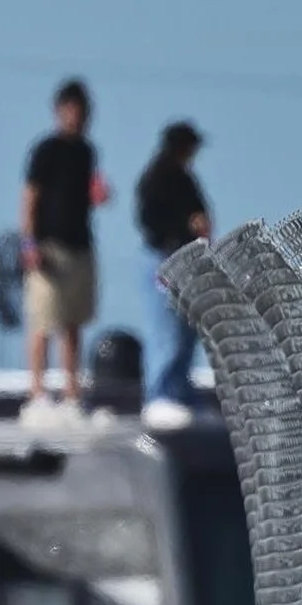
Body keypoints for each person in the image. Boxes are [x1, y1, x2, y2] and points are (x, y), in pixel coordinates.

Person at [21, 79, 103, 423]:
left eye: (82, 111)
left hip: (80, 244)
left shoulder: (87, 151)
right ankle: (38, 392)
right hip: (48, 246)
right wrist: (29, 242)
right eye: (70, 110)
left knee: (73, 323)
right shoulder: (46, 149)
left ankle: (72, 392)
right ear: (59, 112)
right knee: (43, 321)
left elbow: (87, 193)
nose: (77, 117)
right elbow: (30, 197)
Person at [136, 120, 213, 432]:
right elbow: (151, 220)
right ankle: (161, 394)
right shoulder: (159, 177)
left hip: (186, 259)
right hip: (165, 257)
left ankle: (179, 392)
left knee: (184, 330)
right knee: (166, 329)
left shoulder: (185, 178)